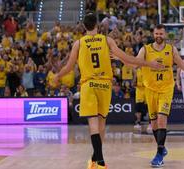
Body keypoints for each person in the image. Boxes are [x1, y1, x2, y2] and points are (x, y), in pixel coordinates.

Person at [54, 13, 163, 169]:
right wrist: (148, 63)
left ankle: (99, 161)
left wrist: (58, 75)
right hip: (105, 86)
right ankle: (95, 160)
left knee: (93, 125)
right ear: (97, 25)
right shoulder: (107, 40)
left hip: (89, 85)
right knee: (101, 125)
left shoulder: (79, 43)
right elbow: (127, 58)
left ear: (84, 26)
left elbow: (69, 67)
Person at [136, 24, 184, 167]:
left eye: (161, 34)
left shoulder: (171, 49)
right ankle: (161, 148)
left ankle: (159, 154)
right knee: (154, 123)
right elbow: (135, 62)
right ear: (153, 34)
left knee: (162, 120)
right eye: (156, 33)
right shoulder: (145, 49)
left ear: (165, 35)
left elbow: (183, 65)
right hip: (150, 89)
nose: (158, 36)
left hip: (166, 89)